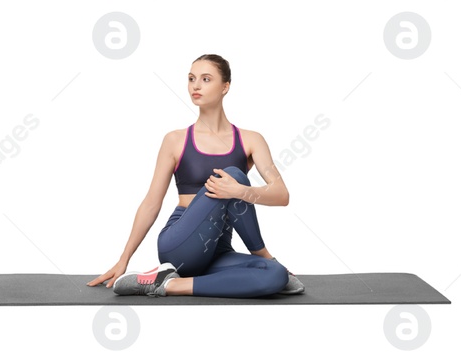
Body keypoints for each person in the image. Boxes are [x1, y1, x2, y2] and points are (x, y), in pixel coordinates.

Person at [87, 54, 304, 298]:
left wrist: (238, 191)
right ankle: (264, 254)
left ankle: (167, 284)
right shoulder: (175, 140)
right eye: (191, 79)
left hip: (218, 252)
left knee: (276, 275)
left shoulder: (251, 140)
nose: (195, 86)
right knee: (233, 174)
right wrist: (123, 259)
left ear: (225, 87)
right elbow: (151, 203)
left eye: (206, 79)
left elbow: (281, 194)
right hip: (179, 245)